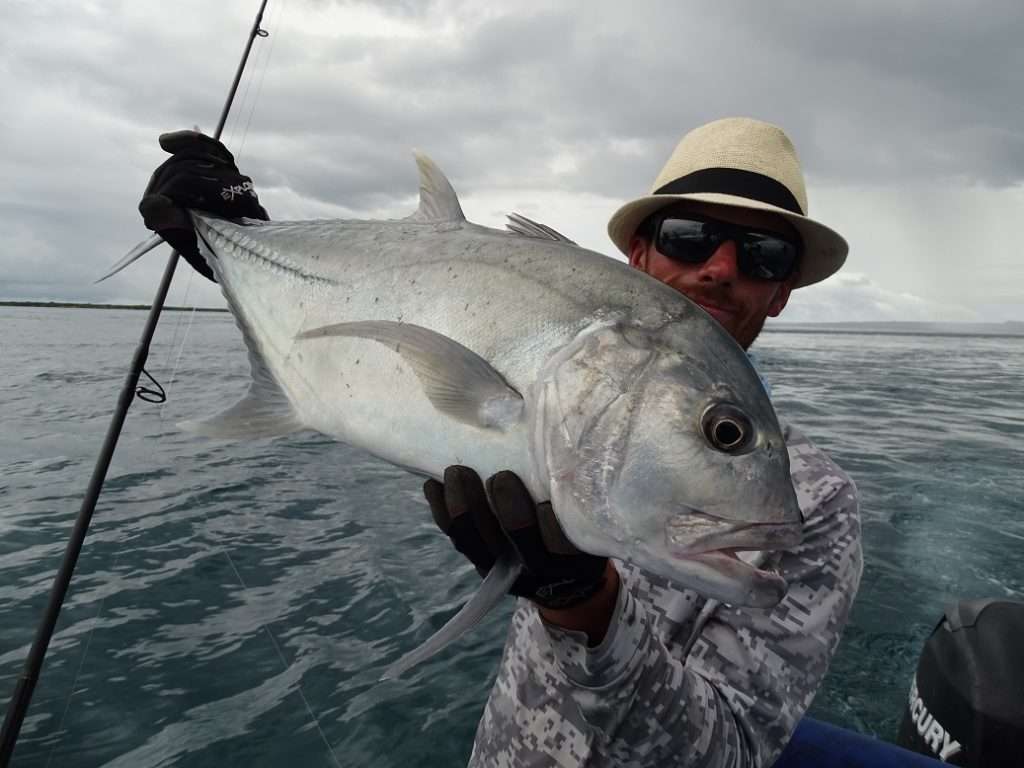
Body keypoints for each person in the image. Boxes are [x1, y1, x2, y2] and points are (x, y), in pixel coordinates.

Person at [140, 117, 863, 768]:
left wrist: (586, 604)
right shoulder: (567, 382)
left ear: (782, 292)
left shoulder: (816, 505)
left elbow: (733, 755)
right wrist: (235, 237)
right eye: (689, 237)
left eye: (763, 254)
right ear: (640, 256)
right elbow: (379, 350)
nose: (721, 267)